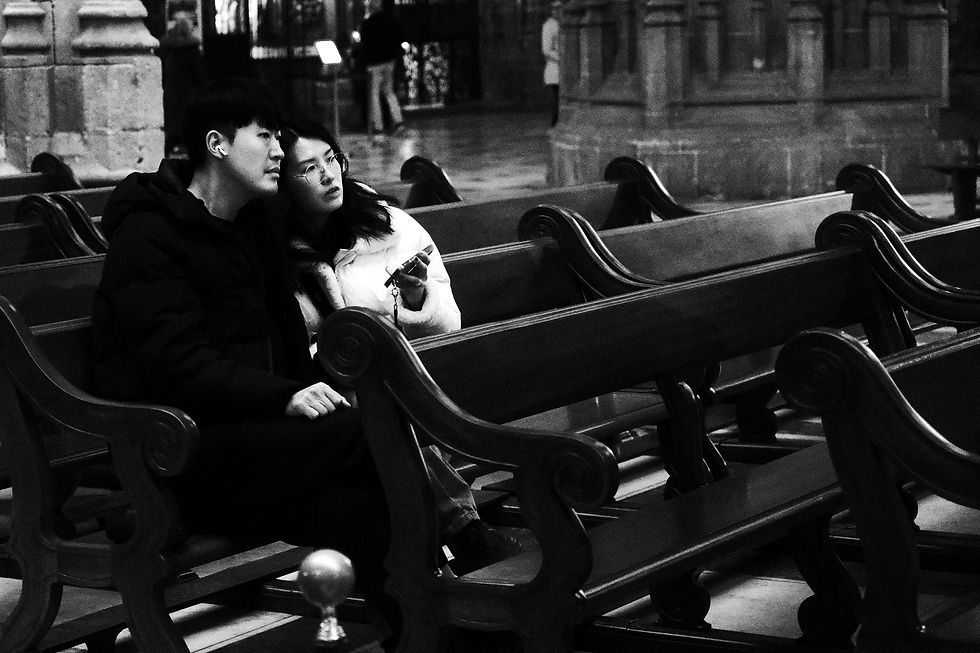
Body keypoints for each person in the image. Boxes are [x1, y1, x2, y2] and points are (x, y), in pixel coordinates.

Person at [88, 78, 401, 648]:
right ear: (217, 144)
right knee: (370, 435)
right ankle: (464, 543)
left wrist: (306, 391)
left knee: (358, 504)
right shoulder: (149, 234)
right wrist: (281, 396)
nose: (280, 150)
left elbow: (283, 337)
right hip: (178, 450)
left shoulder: (254, 222)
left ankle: (428, 629)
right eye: (266, 137)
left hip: (255, 441)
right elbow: (175, 363)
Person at [277, 116, 521, 574]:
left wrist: (416, 299)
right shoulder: (275, 255)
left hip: (418, 379)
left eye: (332, 159)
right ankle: (463, 534)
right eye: (309, 169)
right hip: (332, 401)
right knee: (386, 423)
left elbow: (449, 324)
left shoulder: (387, 226)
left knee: (393, 417)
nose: (329, 175)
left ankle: (439, 555)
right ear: (283, 183)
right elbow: (288, 345)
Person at [158, 13, 205, 157]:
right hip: (187, 92)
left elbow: (163, 70)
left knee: (172, 125)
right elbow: (199, 74)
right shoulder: (192, 50)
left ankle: (167, 154)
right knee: (187, 123)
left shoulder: (166, 47)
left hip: (171, 91)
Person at [359, 0, 406, 137]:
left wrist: (366, 60)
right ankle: (398, 121)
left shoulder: (367, 24)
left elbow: (365, 44)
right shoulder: (390, 21)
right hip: (389, 61)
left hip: (374, 63)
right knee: (389, 92)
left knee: (374, 94)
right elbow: (399, 36)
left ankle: (378, 126)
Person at [542, 0, 562, 127]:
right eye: (555, 9)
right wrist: (562, 58)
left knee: (560, 99)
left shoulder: (562, 23)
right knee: (557, 99)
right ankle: (554, 124)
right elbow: (546, 50)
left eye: (560, 9)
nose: (558, 12)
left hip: (563, 68)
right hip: (555, 68)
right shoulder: (548, 26)